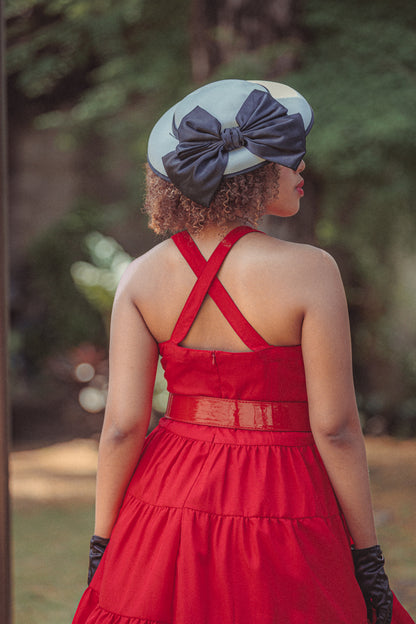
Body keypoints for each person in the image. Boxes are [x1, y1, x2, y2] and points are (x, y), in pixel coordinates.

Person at [72, 79, 414, 624]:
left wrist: (103, 545)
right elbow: (337, 429)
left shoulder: (139, 277)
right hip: (282, 494)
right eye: (289, 155)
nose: (302, 166)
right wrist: (368, 560)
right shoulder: (311, 271)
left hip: (168, 498)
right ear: (251, 175)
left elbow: (121, 428)